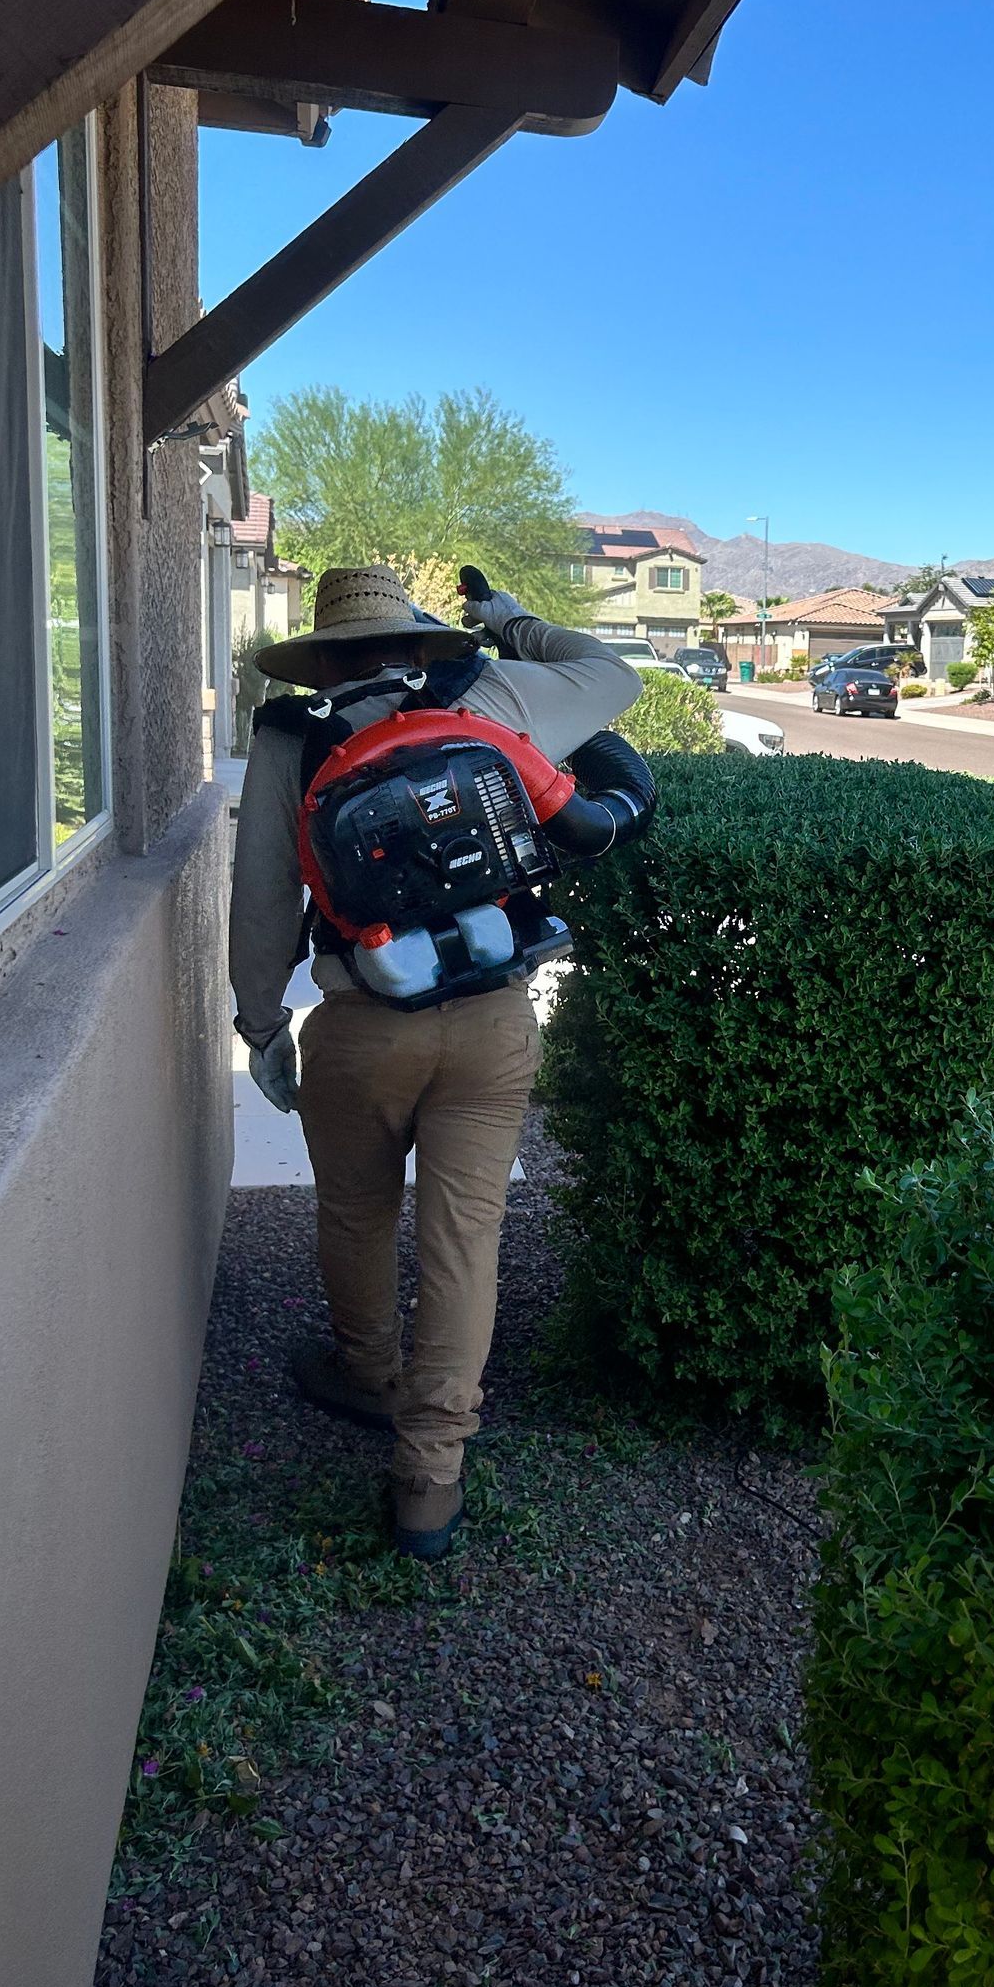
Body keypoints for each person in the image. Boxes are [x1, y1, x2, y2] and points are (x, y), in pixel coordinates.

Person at [229, 566, 642, 1558]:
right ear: (418, 644)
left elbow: (260, 901)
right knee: (466, 1239)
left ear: (323, 656)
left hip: (362, 1023)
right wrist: (509, 618)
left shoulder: (290, 735)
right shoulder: (495, 694)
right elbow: (614, 679)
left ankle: (367, 1374)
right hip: (493, 1018)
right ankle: (429, 1480)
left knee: (357, 1212)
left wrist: (260, 1028)